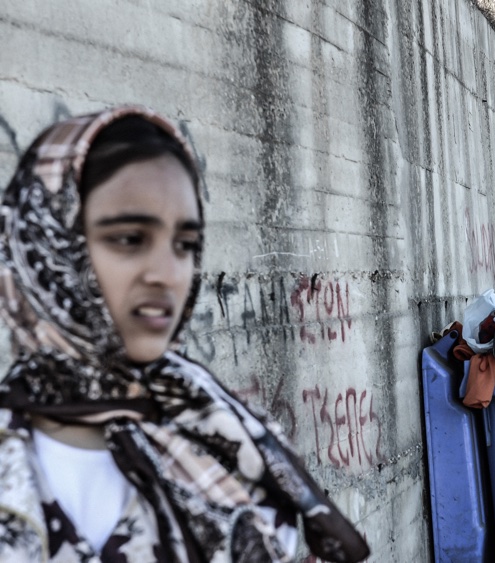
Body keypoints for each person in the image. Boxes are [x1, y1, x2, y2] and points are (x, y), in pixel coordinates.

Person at [0, 106, 370, 562]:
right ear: (47, 244)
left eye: (185, 245)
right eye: (129, 239)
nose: (168, 274)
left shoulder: (228, 438)